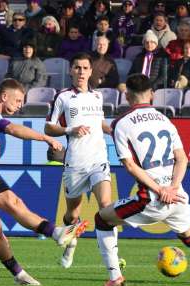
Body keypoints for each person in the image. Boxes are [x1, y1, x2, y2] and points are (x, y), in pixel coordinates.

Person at [94, 73, 190, 286]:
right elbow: (183, 158)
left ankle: (115, 278)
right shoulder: (165, 120)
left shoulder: (121, 123)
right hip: (177, 195)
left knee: (103, 219)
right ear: (151, 94)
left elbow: (131, 167)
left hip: (151, 198)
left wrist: (160, 190)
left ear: (126, 95)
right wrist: (172, 188)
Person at [0, 78, 87, 286]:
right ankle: (19, 274)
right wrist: (45, 138)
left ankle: (57, 233)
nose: (20, 105)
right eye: (18, 100)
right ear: (4, 96)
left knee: (14, 202)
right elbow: (13, 130)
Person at [45, 52, 112, 269]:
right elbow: (49, 127)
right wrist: (70, 129)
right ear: (71, 70)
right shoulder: (63, 97)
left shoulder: (98, 97)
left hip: (98, 159)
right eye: (77, 67)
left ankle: (113, 263)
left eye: (85, 68)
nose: (81, 72)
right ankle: (71, 244)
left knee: (106, 207)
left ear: (91, 71)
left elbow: (100, 122)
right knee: (72, 214)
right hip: (75, 161)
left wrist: (114, 130)